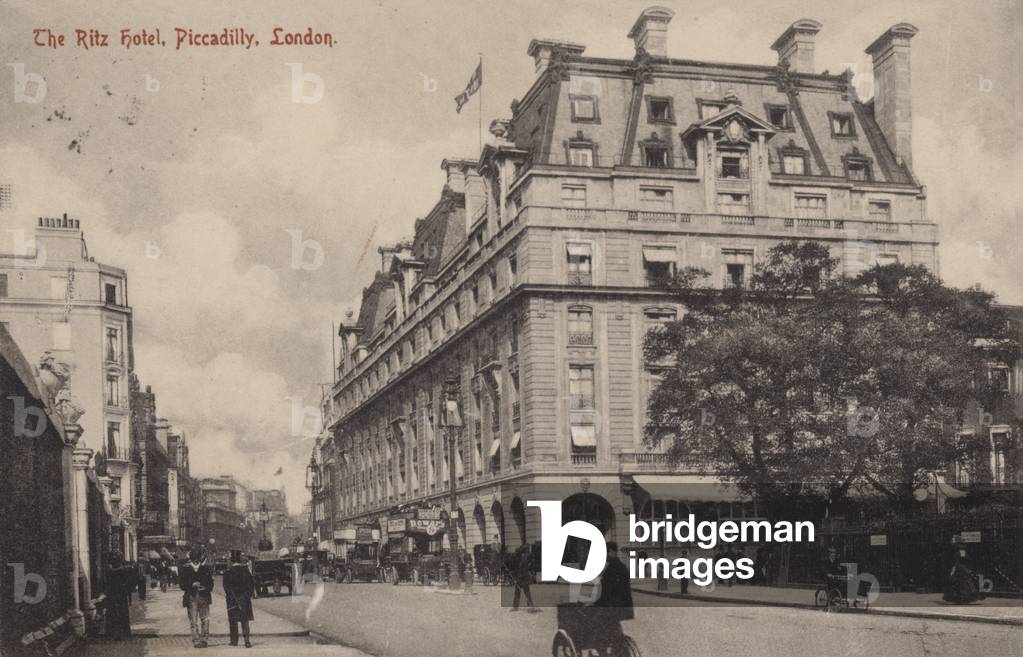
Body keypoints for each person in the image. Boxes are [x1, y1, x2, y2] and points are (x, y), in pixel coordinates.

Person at [593, 542, 634, 654]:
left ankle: (603, 653)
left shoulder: (612, 569)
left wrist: (596, 605)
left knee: (595, 628)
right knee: (614, 632)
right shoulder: (621, 567)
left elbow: (608, 594)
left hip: (612, 608)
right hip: (623, 607)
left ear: (611, 552)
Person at [179, 547, 215, 648]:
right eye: (194, 559)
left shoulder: (205, 569)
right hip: (191, 597)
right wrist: (191, 584)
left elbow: (211, 584)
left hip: (204, 597)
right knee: (193, 620)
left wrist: (204, 587)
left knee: (205, 619)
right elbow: (181, 584)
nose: (195, 561)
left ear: (199, 559)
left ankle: (204, 639)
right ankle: (196, 640)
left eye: (196, 559)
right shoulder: (186, 569)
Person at [223, 550, 256, 648]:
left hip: (232, 599)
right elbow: (251, 585)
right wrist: (247, 595)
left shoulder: (227, 573)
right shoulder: (245, 571)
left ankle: (234, 641)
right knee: (245, 620)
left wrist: (231, 596)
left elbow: (226, 587)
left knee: (233, 620)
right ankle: (247, 641)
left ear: (231, 561)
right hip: (244, 599)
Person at [104, 552, 132, 639]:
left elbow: (105, 582)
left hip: (112, 595)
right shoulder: (124, 570)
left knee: (112, 614)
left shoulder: (109, 571)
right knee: (122, 614)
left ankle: (112, 633)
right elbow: (128, 583)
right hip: (121, 595)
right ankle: (123, 633)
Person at [510, 545, 538, 612]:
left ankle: (515, 607)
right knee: (526, 592)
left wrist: (516, 577)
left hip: (521, 577)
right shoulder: (525, 557)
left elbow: (520, 568)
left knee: (518, 592)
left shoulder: (522, 557)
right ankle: (530, 606)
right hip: (524, 577)